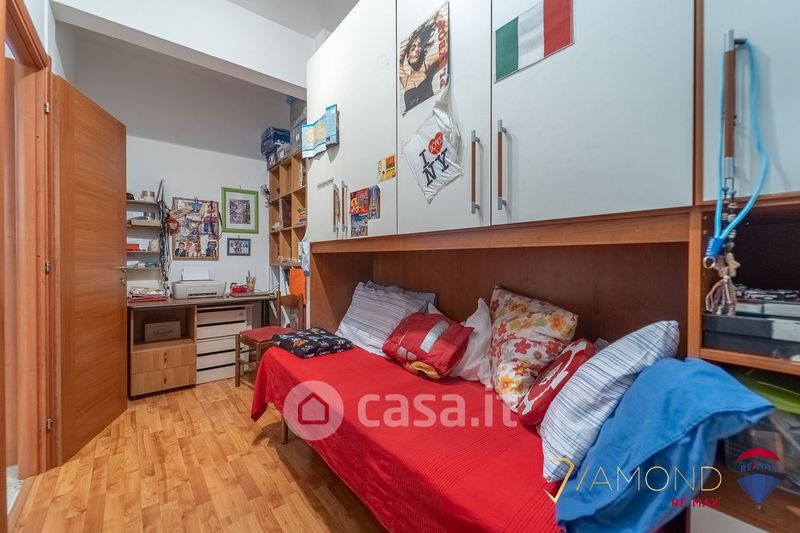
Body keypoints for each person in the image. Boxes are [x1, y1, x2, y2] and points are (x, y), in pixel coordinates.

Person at [399, 11, 448, 111]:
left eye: (419, 46)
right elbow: (398, 61)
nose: (417, 49)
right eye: (413, 48)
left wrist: (439, 20)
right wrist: (410, 39)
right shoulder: (405, 79)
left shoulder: (426, 66)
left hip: (430, 114)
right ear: (407, 56)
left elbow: (446, 49)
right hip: (412, 119)